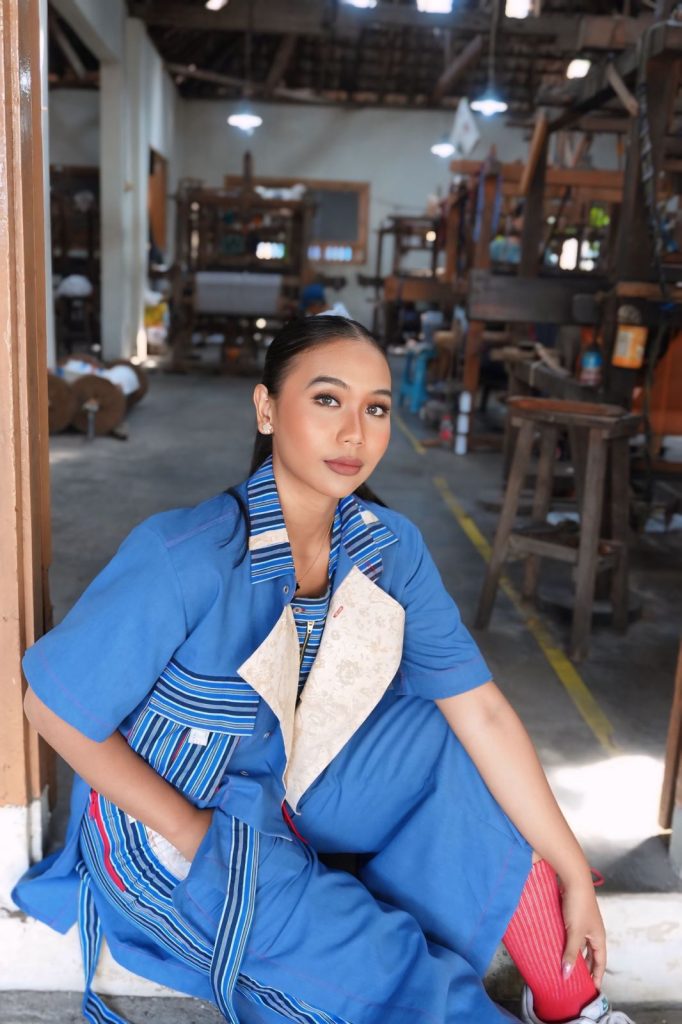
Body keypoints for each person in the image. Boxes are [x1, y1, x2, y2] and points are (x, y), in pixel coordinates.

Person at [14, 315, 634, 1024]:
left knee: (446, 736)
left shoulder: (387, 547)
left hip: (294, 785)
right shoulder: (186, 555)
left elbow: (483, 713)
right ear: (267, 408)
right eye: (328, 399)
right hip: (175, 830)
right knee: (388, 974)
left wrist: (569, 868)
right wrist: (193, 833)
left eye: (376, 409)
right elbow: (50, 709)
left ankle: (568, 1002)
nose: (354, 434)